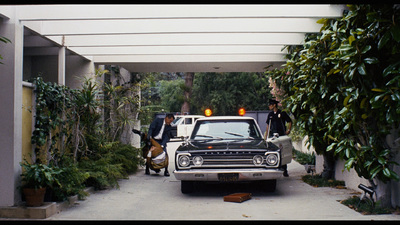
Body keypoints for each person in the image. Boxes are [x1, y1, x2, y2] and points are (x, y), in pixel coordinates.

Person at [266, 99, 292, 177]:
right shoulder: (270, 114)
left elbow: (289, 121)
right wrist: (266, 135)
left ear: (274, 105)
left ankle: (285, 169)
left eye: (270, 104)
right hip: (272, 136)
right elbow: (268, 125)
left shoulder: (282, 113)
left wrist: (288, 130)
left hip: (281, 135)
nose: (269, 106)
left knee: (282, 151)